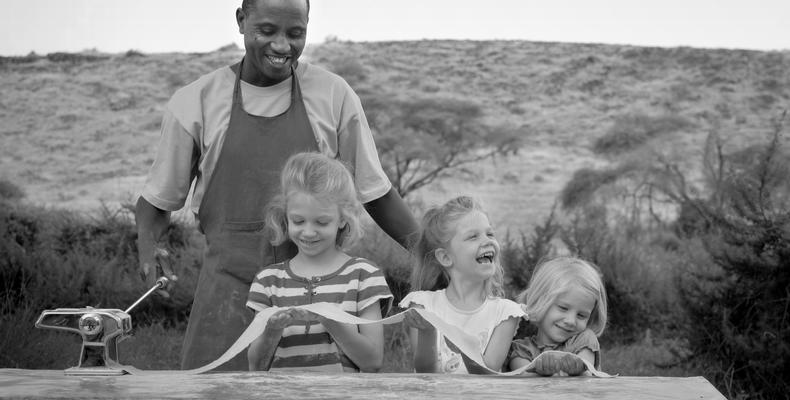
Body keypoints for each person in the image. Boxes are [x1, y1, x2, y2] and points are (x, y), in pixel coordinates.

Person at [134, 0, 418, 371]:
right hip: (227, 295)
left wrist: (430, 256)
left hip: (319, 299)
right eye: (267, 31)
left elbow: (375, 193)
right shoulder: (196, 102)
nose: (282, 45)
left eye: (295, 33)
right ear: (241, 20)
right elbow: (158, 199)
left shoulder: (333, 95)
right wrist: (147, 244)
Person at [246, 152, 391, 372]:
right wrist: (272, 331)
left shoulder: (364, 276)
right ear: (286, 216)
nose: (309, 232)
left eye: (322, 222)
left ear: (343, 219)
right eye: (298, 221)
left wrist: (332, 321)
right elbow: (256, 366)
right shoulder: (268, 282)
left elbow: (372, 362)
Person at [400, 196, 524, 374]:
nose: (487, 240)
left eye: (490, 234)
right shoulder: (423, 305)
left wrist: (463, 346)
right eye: (473, 237)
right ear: (445, 257)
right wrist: (427, 332)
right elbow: (425, 372)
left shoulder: (505, 313)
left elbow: (488, 373)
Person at [507, 256, 608, 376]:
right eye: (563, 308)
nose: (571, 321)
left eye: (581, 315)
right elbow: (524, 380)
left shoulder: (585, 340)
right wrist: (541, 373)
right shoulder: (521, 350)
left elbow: (585, 377)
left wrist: (578, 368)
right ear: (540, 302)